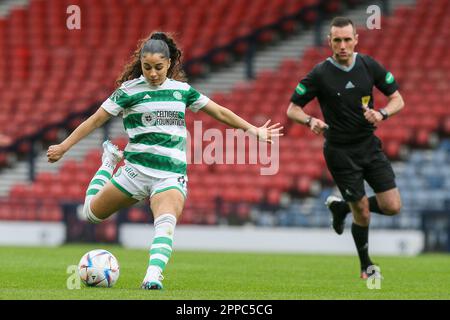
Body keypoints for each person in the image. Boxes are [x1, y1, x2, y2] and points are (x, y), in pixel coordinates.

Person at [47, 32, 283, 289]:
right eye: (147, 67)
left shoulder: (181, 91)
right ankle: (108, 163)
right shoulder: (128, 91)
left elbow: (219, 111)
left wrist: (254, 130)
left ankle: (152, 276)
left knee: (165, 221)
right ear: (141, 64)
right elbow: (94, 120)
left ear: (169, 64)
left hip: (170, 174)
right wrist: (64, 146)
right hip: (134, 173)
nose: (153, 73)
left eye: (158, 67)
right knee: (90, 214)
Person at [286, 17, 404, 279]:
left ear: (356, 40)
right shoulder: (319, 74)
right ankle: (366, 266)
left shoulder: (368, 65)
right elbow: (292, 109)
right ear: (329, 41)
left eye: (347, 39)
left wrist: (382, 114)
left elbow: (398, 99)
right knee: (361, 211)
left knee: (393, 206)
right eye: (337, 40)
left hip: (369, 146)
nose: (342, 45)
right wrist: (310, 120)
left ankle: (341, 208)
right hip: (340, 151)